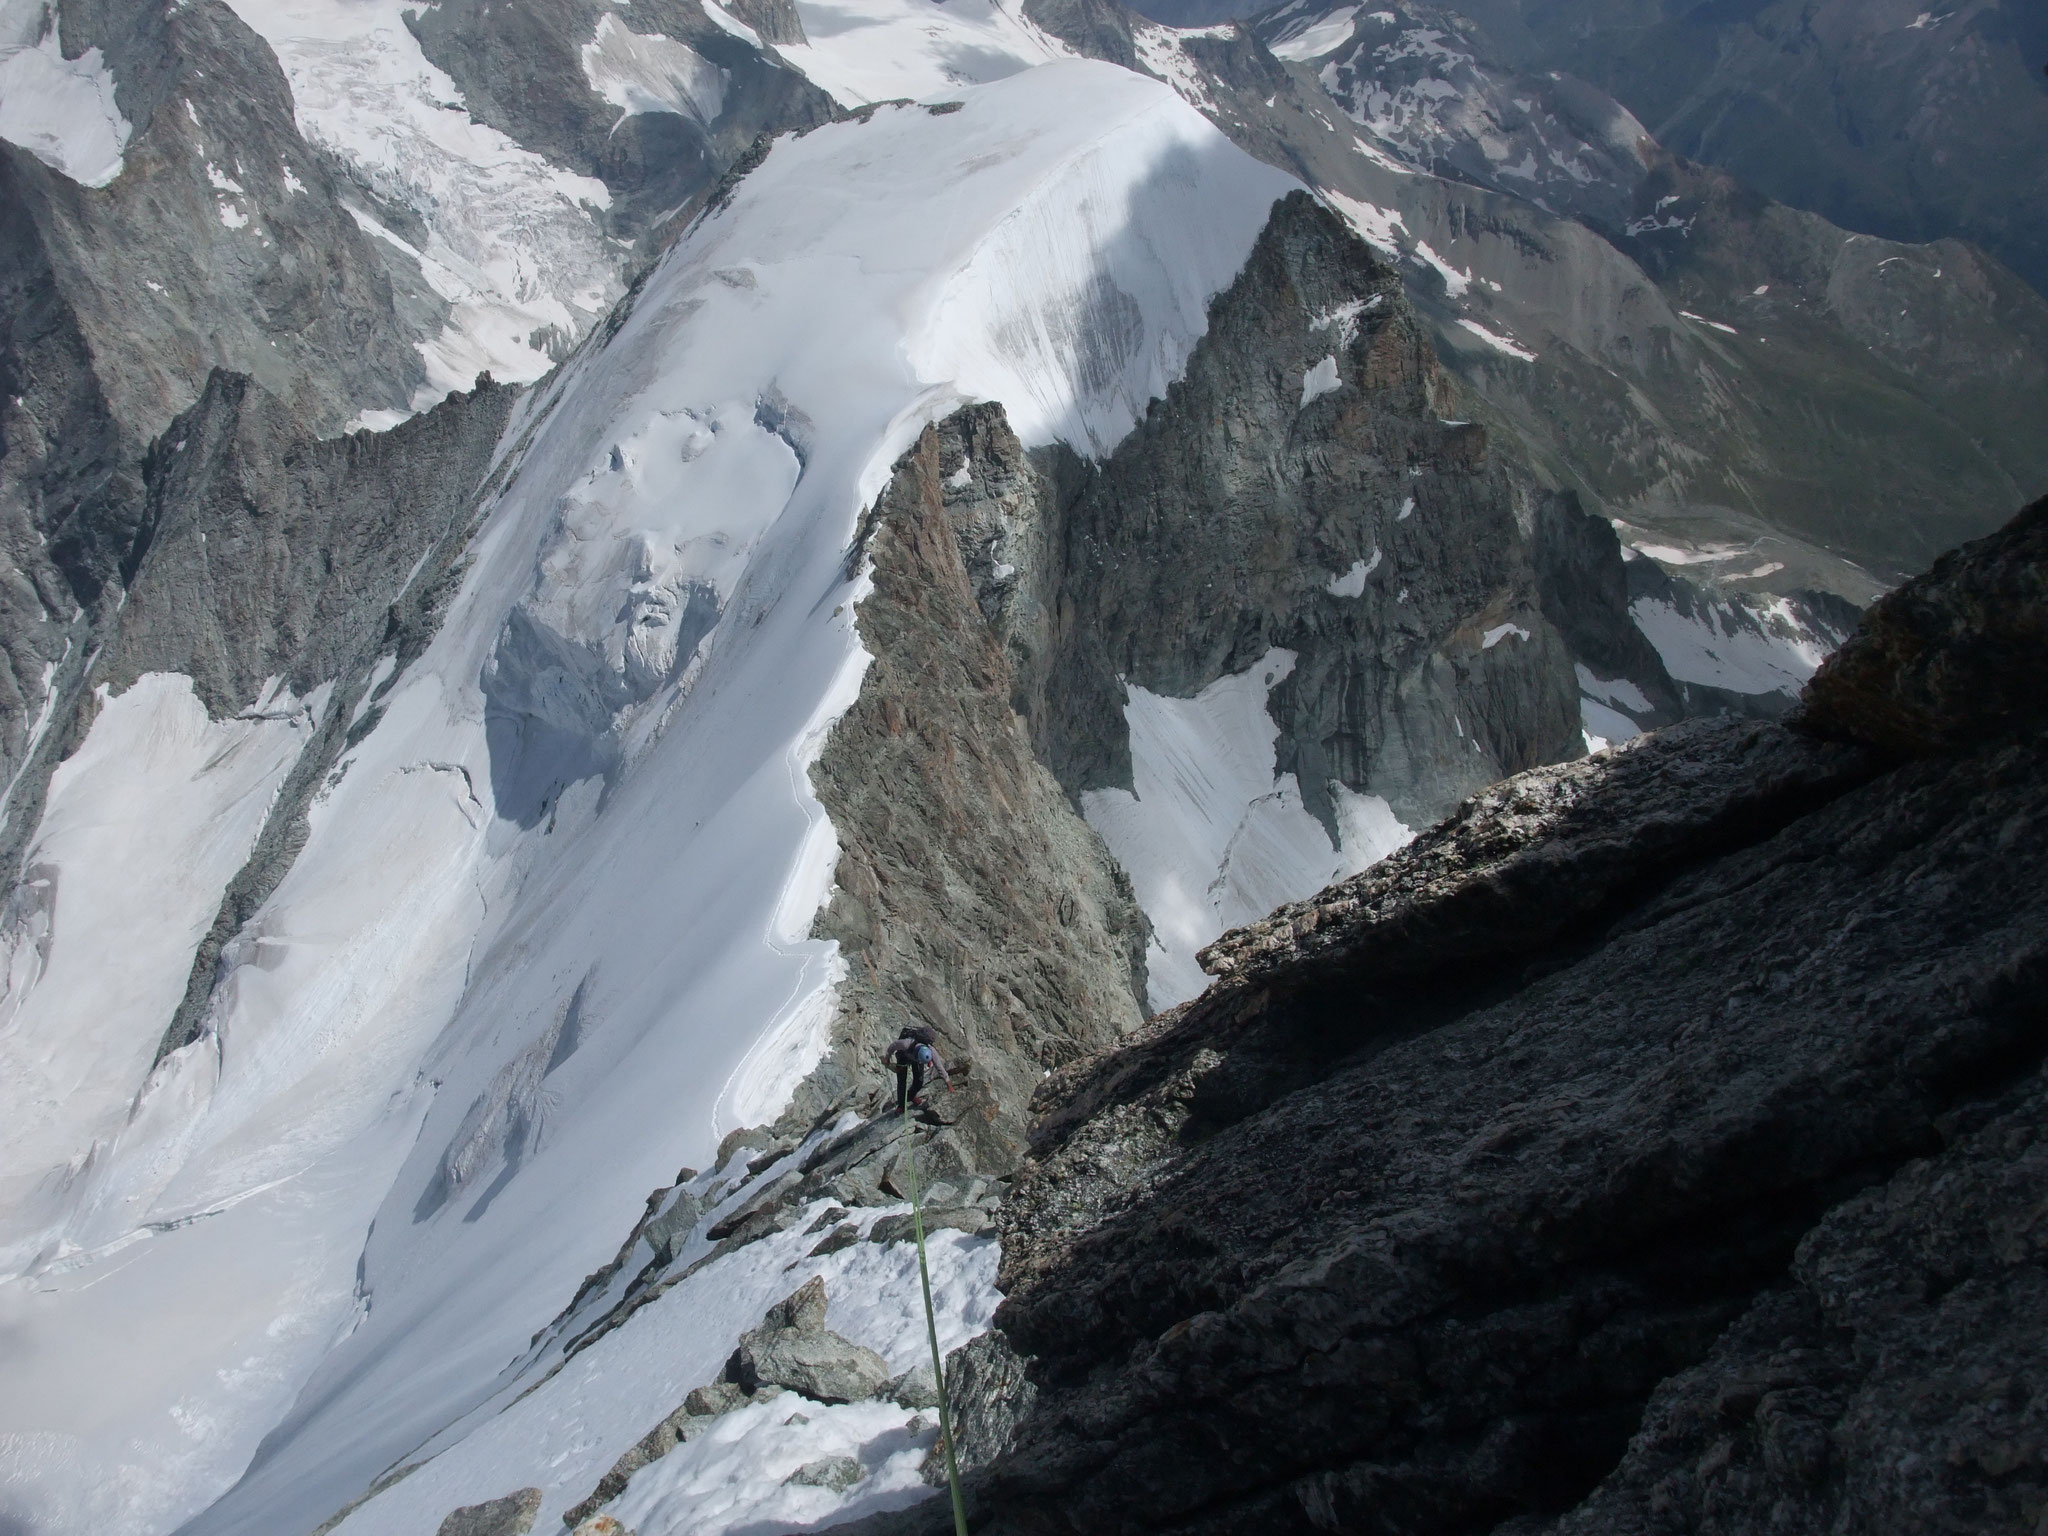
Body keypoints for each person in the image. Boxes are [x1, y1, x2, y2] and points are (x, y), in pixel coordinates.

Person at [884, 1025, 951, 1113]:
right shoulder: (906, 1044)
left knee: (919, 1081)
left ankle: (910, 1096)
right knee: (902, 1081)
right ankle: (901, 1105)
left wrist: (949, 1085)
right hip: (903, 1056)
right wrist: (887, 1057)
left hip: (917, 1059)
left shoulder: (931, 1051)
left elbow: (940, 1068)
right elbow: (893, 1045)